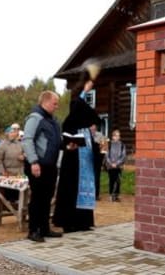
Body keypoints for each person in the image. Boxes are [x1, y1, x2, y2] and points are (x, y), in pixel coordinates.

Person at [53, 76, 101, 233]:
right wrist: (85, 91)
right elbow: (76, 106)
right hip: (73, 167)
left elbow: (94, 149)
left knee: (85, 192)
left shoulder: (88, 131)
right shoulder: (70, 125)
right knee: (71, 192)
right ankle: (69, 223)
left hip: (86, 167)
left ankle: (84, 222)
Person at [22, 90, 62, 242]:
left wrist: (67, 145)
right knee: (37, 198)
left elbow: (55, 142)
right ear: (45, 102)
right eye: (54, 103)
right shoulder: (35, 118)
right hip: (37, 165)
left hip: (51, 165)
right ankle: (33, 230)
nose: (56, 106)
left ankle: (45, 228)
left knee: (47, 197)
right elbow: (27, 140)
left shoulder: (52, 120)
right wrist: (33, 161)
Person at [0, 126, 25, 201]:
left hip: (19, 172)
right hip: (8, 172)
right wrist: (2, 171)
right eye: (11, 132)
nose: (14, 134)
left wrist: (24, 156)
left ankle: (17, 207)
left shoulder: (19, 144)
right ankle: (8, 207)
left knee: (18, 193)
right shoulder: (2, 145)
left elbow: (26, 153)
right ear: (7, 134)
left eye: (14, 132)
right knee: (9, 193)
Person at [105, 129, 126, 202]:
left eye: (118, 136)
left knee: (118, 180)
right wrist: (111, 163)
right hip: (110, 166)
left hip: (118, 166)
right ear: (113, 136)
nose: (117, 137)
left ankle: (116, 195)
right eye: (116, 135)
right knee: (112, 180)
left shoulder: (122, 145)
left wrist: (117, 163)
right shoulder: (109, 144)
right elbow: (106, 156)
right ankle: (111, 195)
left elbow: (123, 156)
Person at [90, 124, 104, 201]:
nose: (92, 128)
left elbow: (104, 148)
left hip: (97, 160)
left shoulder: (100, 135)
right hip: (88, 160)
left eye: (94, 126)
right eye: (91, 126)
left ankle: (96, 195)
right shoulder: (86, 135)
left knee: (96, 177)